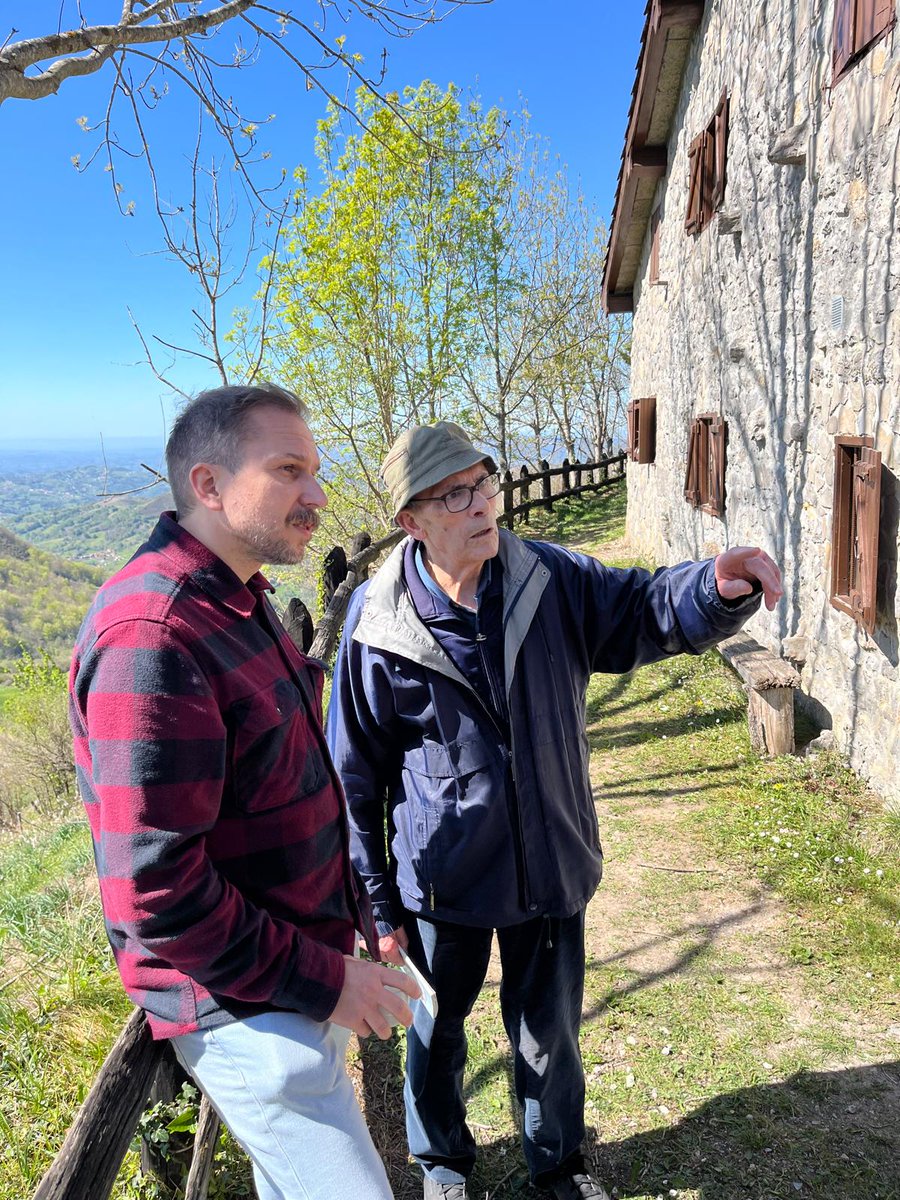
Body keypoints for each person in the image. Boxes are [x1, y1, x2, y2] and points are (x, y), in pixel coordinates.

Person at [327, 421, 783, 1200]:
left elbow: (641, 606)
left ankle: (558, 1169)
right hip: (442, 884)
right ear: (412, 520)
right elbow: (353, 778)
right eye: (457, 494)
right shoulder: (377, 627)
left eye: (486, 482)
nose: (483, 505)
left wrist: (712, 584)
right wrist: (376, 901)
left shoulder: (549, 579)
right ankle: (441, 1167)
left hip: (548, 861)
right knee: (436, 1039)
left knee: (549, 1037)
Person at [69, 384, 418, 1200]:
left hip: (290, 969)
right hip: (245, 1006)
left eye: (316, 471)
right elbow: (155, 893)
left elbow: (284, 782)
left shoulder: (237, 596)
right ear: (209, 485)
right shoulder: (152, 636)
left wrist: (358, 912)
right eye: (289, 469)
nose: (318, 497)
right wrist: (331, 981)